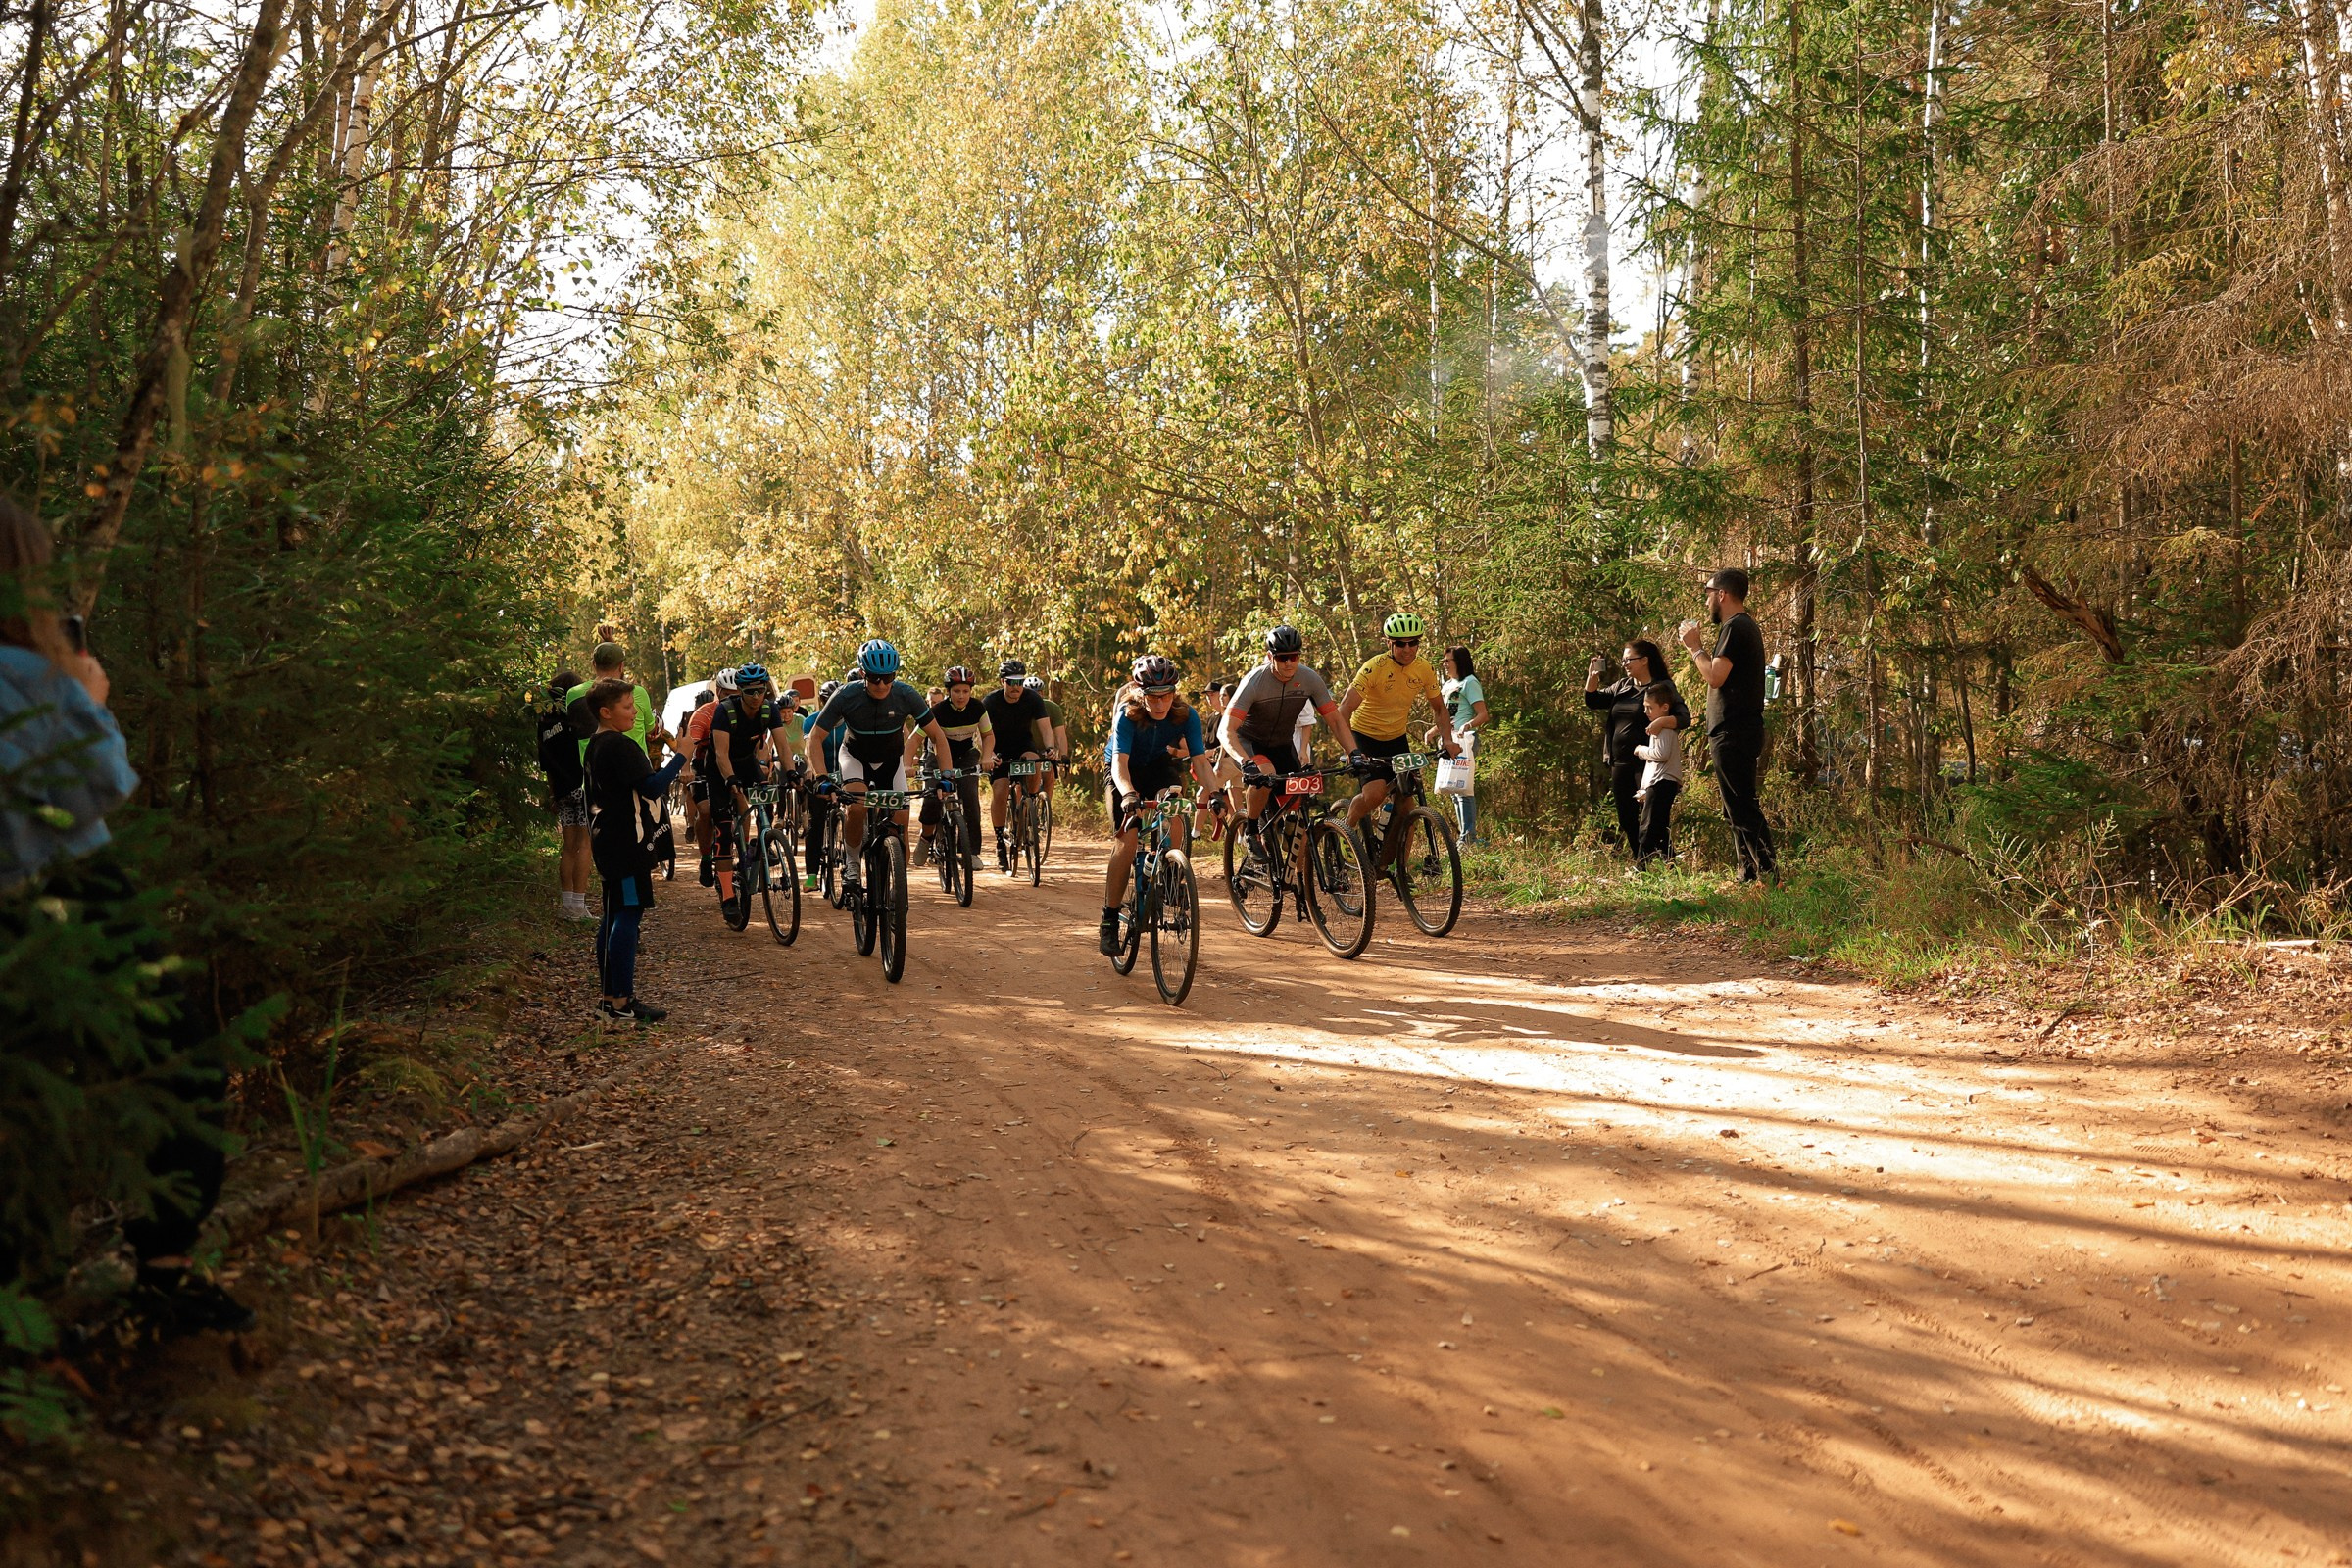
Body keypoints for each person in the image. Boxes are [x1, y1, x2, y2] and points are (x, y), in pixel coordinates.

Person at [1, 495, 251, 1331]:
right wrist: (90, 696)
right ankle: (165, 1272)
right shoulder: (28, 674)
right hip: (68, 891)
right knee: (180, 1065)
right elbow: (97, 782)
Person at [806, 641, 955, 896]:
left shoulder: (906, 695)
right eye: (875, 679)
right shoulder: (845, 695)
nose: (882, 685)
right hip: (855, 757)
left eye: (888, 678)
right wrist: (821, 777)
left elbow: (938, 737)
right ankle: (852, 865)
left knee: (901, 823)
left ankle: (897, 886)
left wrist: (946, 776)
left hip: (890, 761)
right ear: (863, 674)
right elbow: (814, 739)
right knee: (858, 805)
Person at [1220, 625, 1360, 879]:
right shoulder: (1255, 681)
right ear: (1270, 656)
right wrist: (1244, 761)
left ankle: (1298, 882)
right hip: (1250, 743)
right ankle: (1251, 831)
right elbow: (1226, 730)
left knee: (1300, 806)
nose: (1288, 663)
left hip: (1282, 745)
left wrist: (1354, 753)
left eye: (1293, 656)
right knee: (1266, 774)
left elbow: (1336, 721)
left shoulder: (1309, 679)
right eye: (1282, 658)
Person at [584, 677, 686, 1023]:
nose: (634, 712)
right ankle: (621, 1003)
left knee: (613, 915)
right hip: (626, 844)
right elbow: (654, 786)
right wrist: (681, 755)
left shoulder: (596, 744)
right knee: (627, 915)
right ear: (606, 712)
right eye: (627, 707)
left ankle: (610, 998)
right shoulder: (618, 745)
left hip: (607, 841)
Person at [1100, 655, 1215, 955]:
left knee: (1173, 805)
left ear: (1175, 692)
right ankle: (1109, 919)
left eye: (1166, 695)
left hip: (1156, 766)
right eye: (1153, 697)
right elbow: (1120, 766)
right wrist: (1128, 794)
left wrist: (1216, 794)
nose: (1160, 703)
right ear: (1140, 693)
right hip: (1122, 772)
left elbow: (1201, 762)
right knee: (1129, 836)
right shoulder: (1127, 715)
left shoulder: (1185, 715)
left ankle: (1173, 874)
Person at [1680, 567, 1778, 882]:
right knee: (1734, 806)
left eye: (1708, 593)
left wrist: (1695, 647)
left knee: (1742, 805)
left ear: (1721, 594)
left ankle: (1768, 874)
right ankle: (1748, 874)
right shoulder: (1739, 627)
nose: (1706, 600)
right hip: (1733, 730)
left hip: (1735, 731)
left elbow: (1714, 676)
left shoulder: (1737, 627)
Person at [1337, 612, 1460, 846]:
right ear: (1388, 643)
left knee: (1406, 806)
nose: (1407, 649)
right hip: (1365, 736)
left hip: (1396, 739)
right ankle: (1347, 831)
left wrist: (1448, 740)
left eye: (1413, 642)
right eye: (1401, 643)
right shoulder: (1374, 667)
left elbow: (1440, 709)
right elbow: (1343, 710)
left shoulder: (1424, 668)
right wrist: (1351, 751)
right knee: (1375, 794)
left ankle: (1400, 872)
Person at [1584, 638, 1691, 858]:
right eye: (1623, 660)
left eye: (1628, 659)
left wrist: (1662, 721)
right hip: (1620, 761)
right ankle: (1644, 860)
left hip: (1648, 763)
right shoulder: (1623, 686)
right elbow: (1593, 701)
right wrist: (1592, 678)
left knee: (1651, 819)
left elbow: (1683, 718)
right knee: (1626, 817)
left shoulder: (1662, 687)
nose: (1624, 664)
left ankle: (1660, 862)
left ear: (1644, 660)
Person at [710, 663, 784, 917]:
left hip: (746, 762)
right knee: (723, 827)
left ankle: (761, 842)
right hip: (720, 769)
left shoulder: (769, 709)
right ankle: (729, 897)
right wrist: (730, 779)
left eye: (760, 691)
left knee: (767, 795)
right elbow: (720, 754)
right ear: (740, 691)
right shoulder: (724, 711)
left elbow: (783, 745)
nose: (755, 697)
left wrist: (793, 772)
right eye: (750, 691)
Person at [982, 660, 1054, 874]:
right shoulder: (990, 702)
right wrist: (989, 754)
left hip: (1023, 745)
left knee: (1035, 764)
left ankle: (1029, 809)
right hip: (999, 750)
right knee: (1001, 790)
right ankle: (999, 844)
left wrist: (1050, 748)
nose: (1016, 687)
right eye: (1011, 682)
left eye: (1020, 682)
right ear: (1002, 681)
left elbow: (1045, 728)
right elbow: (982, 735)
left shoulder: (1032, 698)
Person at [917, 666, 992, 868]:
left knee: (970, 801)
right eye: (957, 691)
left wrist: (986, 757)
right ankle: (926, 837)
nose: (961, 696)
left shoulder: (978, 708)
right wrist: (908, 764)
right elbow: (915, 738)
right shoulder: (937, 711)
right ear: (949, 691)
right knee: (934, 795)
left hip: (966, 756)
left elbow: (988, 735)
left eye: (966, 691)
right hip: (938, 757)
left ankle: (972, 852)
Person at [534, 670, 592, 919]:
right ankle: (579, 906)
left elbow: (545, 765)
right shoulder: (576, 717)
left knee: (568, 847)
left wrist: (552, 794)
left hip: (561, 790)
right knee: (586, 845)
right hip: (582, 787)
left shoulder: (544, 722)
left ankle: (567, 905)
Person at [686, 669, 736, 886]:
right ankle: (706, 857)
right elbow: (689, 744)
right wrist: (684, 769)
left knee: (743, 806)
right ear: (719, 692)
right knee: (705, 812)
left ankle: (745, 854)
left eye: (737, 693)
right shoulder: (704, 713)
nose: (732, 698)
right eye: (727, 694)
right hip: (705, 766)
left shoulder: (745, 711)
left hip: (734, 766)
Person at [1434, 646, 1488, 844]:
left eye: (1449, 660)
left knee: (1463, 789)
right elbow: (1447, 714)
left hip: (1464, 741)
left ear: (1460, 662)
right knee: (1454, 790)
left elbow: (1483, 714)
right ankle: (1465, 836)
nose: (1445, 664)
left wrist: (1468, 724)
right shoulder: (1448, 685)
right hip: (1448, 741)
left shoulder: (1469, 683)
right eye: (1444, 660)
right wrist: (1433, 731)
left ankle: (1468, 837)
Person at [1632, 685, 1685, 866]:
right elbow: (1655, 765)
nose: (1646, 711)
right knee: (1660, 827)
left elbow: (1660, 755)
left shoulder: (1663, 727)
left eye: (1650, 707)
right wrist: (1645, 789)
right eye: (1645, 707)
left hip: (1663, 782)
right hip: (1660, 782)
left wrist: (1641, 750)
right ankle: (1670, 864)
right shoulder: (1659, 726)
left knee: (1648, 826)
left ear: (1664, 707)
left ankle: (1641, 867)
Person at [801, 679, 844, 891]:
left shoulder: (851, 721)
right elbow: (809, 747)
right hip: (819, 774)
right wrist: (812, 770)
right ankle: (811, 875)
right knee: (816, 822)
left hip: (845, 775)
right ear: (822, 701)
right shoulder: (811, 722)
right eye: (828, 701)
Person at [1024, 674, 1068, 809]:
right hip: (1024, 748)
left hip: (1044, 749)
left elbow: (1060, 735)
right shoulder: (1019, 707)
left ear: (1042, 693)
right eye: (1031, 693)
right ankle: (1021, 814)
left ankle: (1045, 808)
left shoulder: (1052, 708)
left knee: (1049, 773)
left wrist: (1064, 757)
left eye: (1037, 692)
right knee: (1020, 784)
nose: (1034, 696)